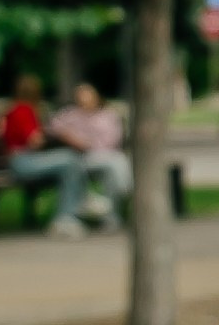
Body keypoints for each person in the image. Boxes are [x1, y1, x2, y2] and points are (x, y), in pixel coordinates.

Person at [13, 81, 132, 236]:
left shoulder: (108, 115)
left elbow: (112, 141)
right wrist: (68, 137)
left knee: (109, 164)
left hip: (101, 155)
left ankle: (102, 209)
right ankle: (80, 205)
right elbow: (37, 138)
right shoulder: (33, 111)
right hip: (34, 160)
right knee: (72, 162)